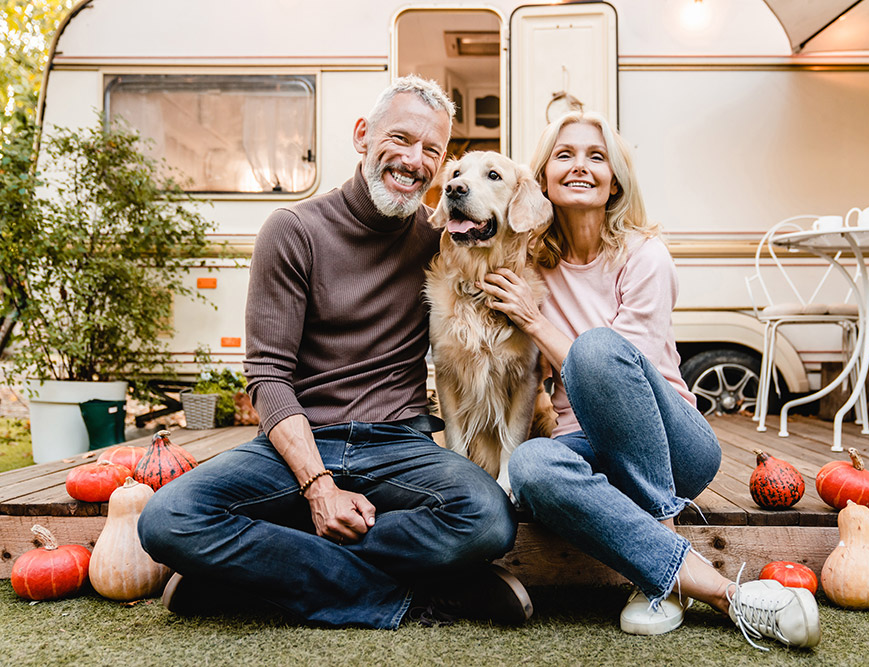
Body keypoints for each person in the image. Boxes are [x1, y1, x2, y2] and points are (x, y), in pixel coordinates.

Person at [138, 75, 533, 629]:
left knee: (488, 518)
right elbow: (267, 379)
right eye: (400, 138)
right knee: (168, 519)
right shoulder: (293, 230)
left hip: (399, 443)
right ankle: (423, 594)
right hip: (298, 441)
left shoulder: (441, 236)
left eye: (432, 151)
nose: (414, 161)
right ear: (362, 136)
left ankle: (256, 575)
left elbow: (523, 229)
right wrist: (318, 485)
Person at [478, 111, 821, 650]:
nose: (580, 167)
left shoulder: (645, 256)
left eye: (597, 157)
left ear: (615, 179)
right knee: (530, 466)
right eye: (564, 155)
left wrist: (536, 321)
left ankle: (660, 544)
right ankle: (703, 588)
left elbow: (612, 373)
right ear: (542, 176)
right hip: (583, 442)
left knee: (594, 349)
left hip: (672, 442)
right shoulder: (531, 265)